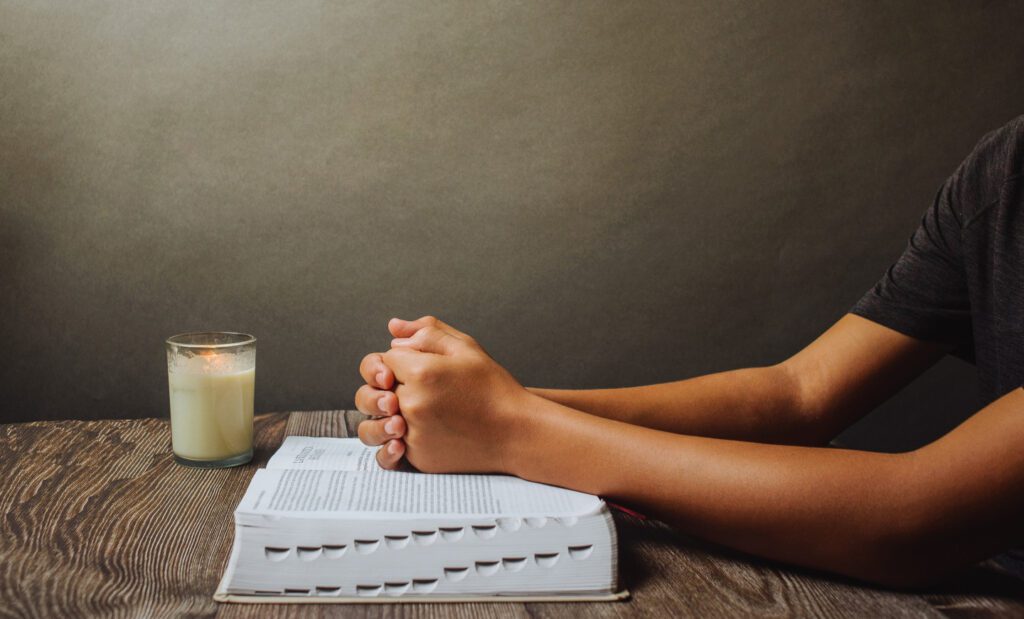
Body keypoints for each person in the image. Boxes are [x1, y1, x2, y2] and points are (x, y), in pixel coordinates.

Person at [353, 115, 1024, 588]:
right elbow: (798, 394)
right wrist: (472, 401)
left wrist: (511, 429)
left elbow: (915, 519)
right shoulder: (1003, 175)